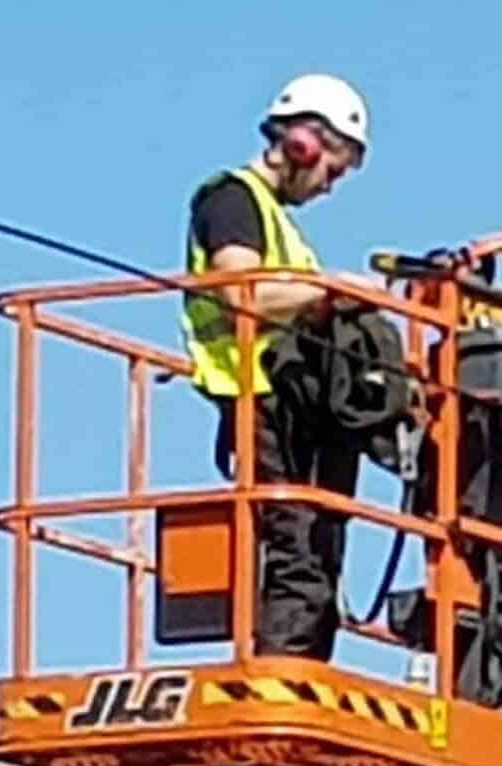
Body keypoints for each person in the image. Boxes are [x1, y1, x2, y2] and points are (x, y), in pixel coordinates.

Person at [180, 74, 372, 660]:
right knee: (295, 545)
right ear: (302, 146)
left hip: (292, 403)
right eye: (331, 171)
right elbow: (243, 292)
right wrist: (329, 292)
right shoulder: (231, 199)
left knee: (319, 545)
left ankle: (299, 671)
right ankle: (279, 677)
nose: (328, 188)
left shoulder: (281, 225)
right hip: (255, 392)